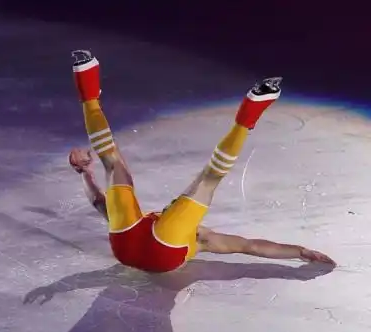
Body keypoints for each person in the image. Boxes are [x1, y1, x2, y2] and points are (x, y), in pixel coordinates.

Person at [69, 50, 335, 272]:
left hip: (135, 244)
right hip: (135, 250)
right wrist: (299, 252)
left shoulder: (200, 237)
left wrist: (85, 173)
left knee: (206, 178)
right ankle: (87, 88)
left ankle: (88, 91)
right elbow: (250, 247)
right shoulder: (201, 239)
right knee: (120, 164)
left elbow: (250, 246)